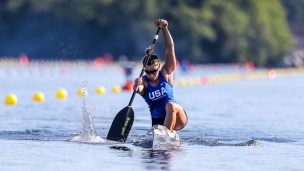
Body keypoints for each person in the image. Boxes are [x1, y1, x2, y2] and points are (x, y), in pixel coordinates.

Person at [134, 19, 188, 137]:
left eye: (154, 71)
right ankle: (164, 133)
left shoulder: (166, 73)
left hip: (177, 115)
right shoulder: (143, 81)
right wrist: (136, 85)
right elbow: (138, 89)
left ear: (158, 67)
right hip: (157, 122)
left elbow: (170, 48)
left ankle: (167, 134)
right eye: (147, 72)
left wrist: (164, 29)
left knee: (170, 105)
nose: (151, 75)